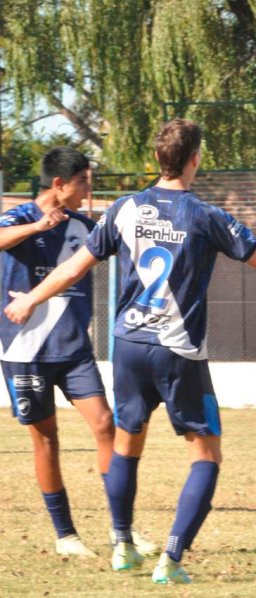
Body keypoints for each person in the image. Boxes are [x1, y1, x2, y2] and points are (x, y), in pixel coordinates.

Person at [4, 119, 256, 583]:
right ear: (195, 158)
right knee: (206, 454)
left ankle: (121, 542)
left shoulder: (123, 209)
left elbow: (75, 269)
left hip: (129, 346)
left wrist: (31, 299)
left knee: (126, 441)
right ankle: (172, 559)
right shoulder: (204, 215)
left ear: (158, 159)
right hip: (177, 351)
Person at [0, 147, 116, 557]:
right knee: (46, 439)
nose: (88, 189)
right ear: (58, 184)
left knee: (105, 425)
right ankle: (66, 535)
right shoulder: (16, 218)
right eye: (83, 181)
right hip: (26, 351)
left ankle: (121, 529)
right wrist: (36, 229)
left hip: (73, 350)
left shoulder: (85, 226)